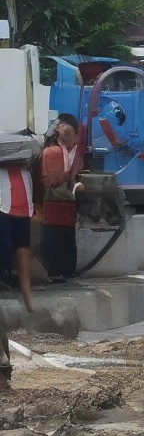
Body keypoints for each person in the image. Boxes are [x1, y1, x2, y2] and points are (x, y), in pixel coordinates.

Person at [40, 114, 84, 282]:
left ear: (77, 137)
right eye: (61, 133)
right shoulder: (52, 151)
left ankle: (67, 272)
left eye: (68, 133)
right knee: (53, 240)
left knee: (67, 240)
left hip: (69, 207)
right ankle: (55, 272)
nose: (63, 138)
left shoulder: (78, 156)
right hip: (52, 204)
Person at [0, 132, 41, 313]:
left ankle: (28, 301)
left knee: (23, 253)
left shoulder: (25, 168)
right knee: (5, 254)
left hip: (23, 211)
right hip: (4, 209)